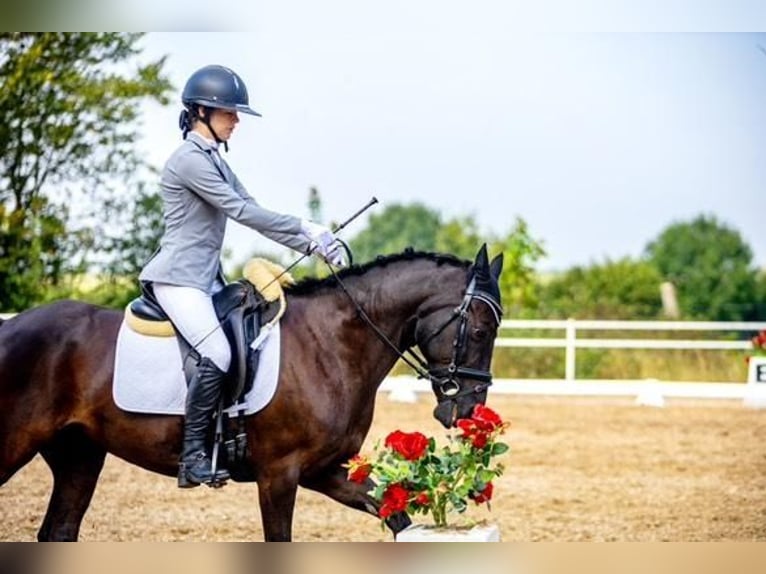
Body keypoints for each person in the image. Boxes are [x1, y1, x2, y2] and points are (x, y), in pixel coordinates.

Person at [139, 64, 344, 488]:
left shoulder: (213, 158)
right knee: (217, 352)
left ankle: (229, 436)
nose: (235, 121)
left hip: (205, 278)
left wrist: (309, 239)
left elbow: (249, 202)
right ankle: (193, 457)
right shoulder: (188, 161)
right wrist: (308, 233)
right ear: (201, 112)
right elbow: (242, 213)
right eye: (228, 113)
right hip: (177, 279)